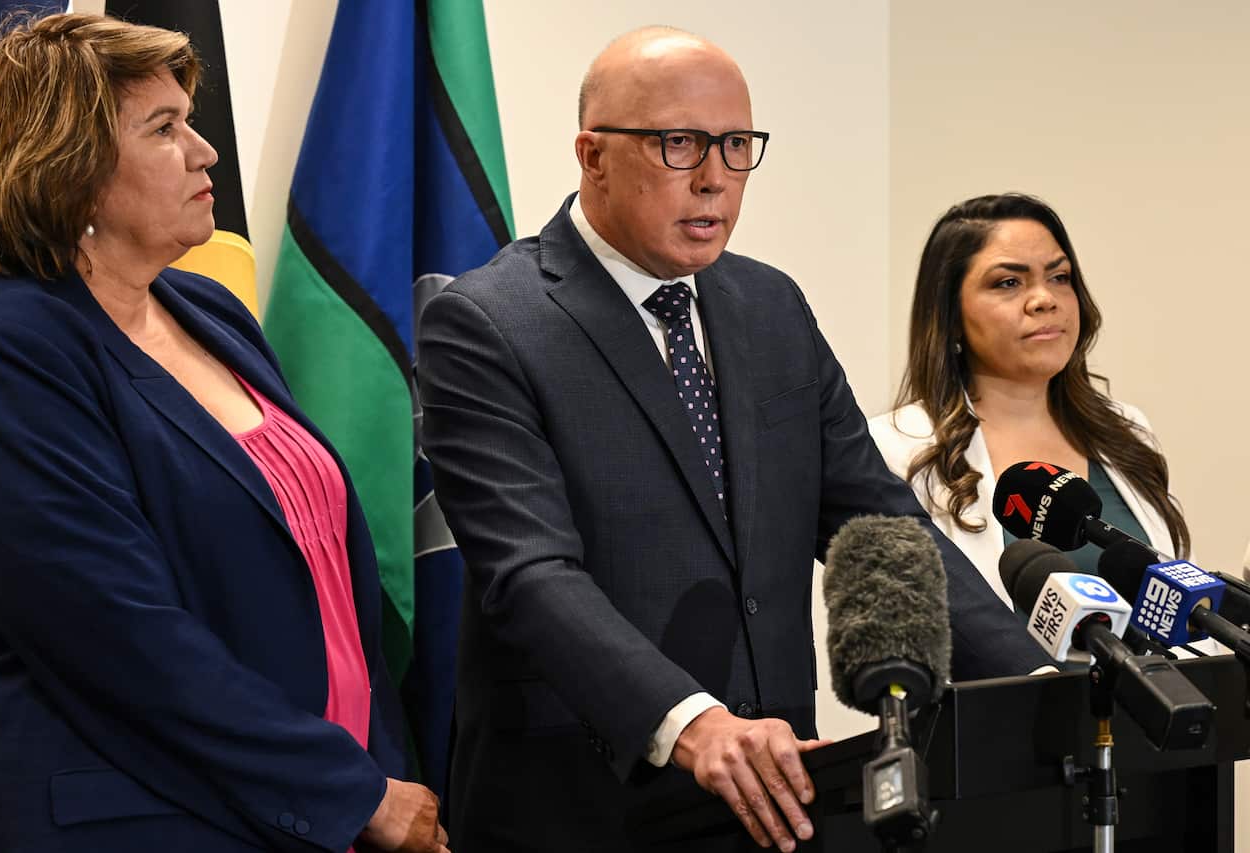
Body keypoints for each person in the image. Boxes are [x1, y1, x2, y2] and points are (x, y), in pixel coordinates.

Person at [417, 27, 1047, 853]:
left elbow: (883, 523)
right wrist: (692, 722)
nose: (715, 176)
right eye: (679, 144)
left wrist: (1036, 684)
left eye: (737, 145)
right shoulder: (488, 323)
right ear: (592, 154)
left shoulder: (770, 307)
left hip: (778, 795)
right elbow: (530, 574)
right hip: (586, 804)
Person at [0, 14, 447, 852]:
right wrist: (349, 791)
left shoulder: (212, 310)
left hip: (302, 805)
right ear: (71, 168)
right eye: (164, 128)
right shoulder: (8, 345)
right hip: (142, 817)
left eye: (190, 121)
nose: (205, 150)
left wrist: (368, 775)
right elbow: (116, 633)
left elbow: (332, 580)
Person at [869, 193, 1190, 607]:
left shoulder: (1127, 429)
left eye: (1059, 277)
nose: (1045, 299)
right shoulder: (896, 449)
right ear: (949, 315)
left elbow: (1187, 605)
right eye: (1008, 282)